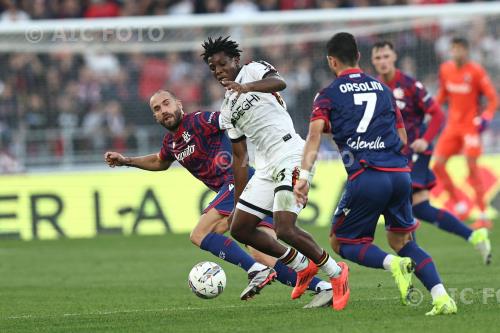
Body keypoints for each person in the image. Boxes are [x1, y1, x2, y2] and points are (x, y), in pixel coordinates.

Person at [104, 90, 332, 308]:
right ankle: (323, 287)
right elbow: (160, 161)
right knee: (264, 253)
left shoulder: (198, 120)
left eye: (166, 103)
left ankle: (256, 271)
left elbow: (229, 120)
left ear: (178, 104)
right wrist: (126, 161)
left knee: (201, 234)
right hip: (246, 189)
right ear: (154, 116)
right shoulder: (171, 144)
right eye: (157, 108)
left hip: (239, 182)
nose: (163, 110)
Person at [294, 32, 457, 315]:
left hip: (368, 176)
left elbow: (314, 136)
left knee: (342, 242)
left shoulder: (328, 94)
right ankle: (442, 297)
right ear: (358, 57)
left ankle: (392, 265)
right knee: (401, 242)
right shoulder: (383, 89)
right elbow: (402, 136)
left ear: (332, 61)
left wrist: (303, 178)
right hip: (399, 174)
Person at [201, 36, 350, 310]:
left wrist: (245, 87)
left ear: (235, 60)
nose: (218, 70)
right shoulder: (227, 108)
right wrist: (235, 203)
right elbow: (239, 156)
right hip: (267, 166)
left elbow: (279, 83)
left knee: (283, 228)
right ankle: (301, 265)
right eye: (213, 67)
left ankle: (337, 272)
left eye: (222, 64)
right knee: (240, 228)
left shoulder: (254, 70)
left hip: (291, 153)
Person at [371, 41, 491, 265]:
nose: (382, 61)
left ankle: (414, 263)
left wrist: (424, 141)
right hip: (395, 155)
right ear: (373, 61)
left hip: (416, 152)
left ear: (394, 56)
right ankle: (474, 235)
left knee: (403, 200)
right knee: (420, 208)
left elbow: (437, 115)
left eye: (386, 56)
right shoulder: (375, 87)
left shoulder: (410, 85)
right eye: (378, 58)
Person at [433, 37, 498, 229]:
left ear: (467, 51)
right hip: (453, 126)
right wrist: (432, 108)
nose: (456, 52)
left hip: (471, 127)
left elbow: (493, 99)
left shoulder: (476, 71)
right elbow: (443, 94)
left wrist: (485, 117)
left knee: (472, 167)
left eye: (460, 49)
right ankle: (460, 205)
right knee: (438, 165)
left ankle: (483, 215)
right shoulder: (445, 69)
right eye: (454, 49)